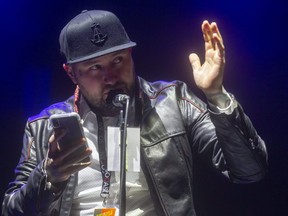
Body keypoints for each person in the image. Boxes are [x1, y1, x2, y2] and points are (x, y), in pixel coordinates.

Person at [1, 10, 267, 216]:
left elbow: (249, 171)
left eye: (118, 60)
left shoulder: (173, 101)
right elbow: (11, 209)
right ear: (71, 73)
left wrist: (216, 94)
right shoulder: (43, 126)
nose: (111, 77)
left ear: (131, 54)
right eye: (95, 67)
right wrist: (49, 178)